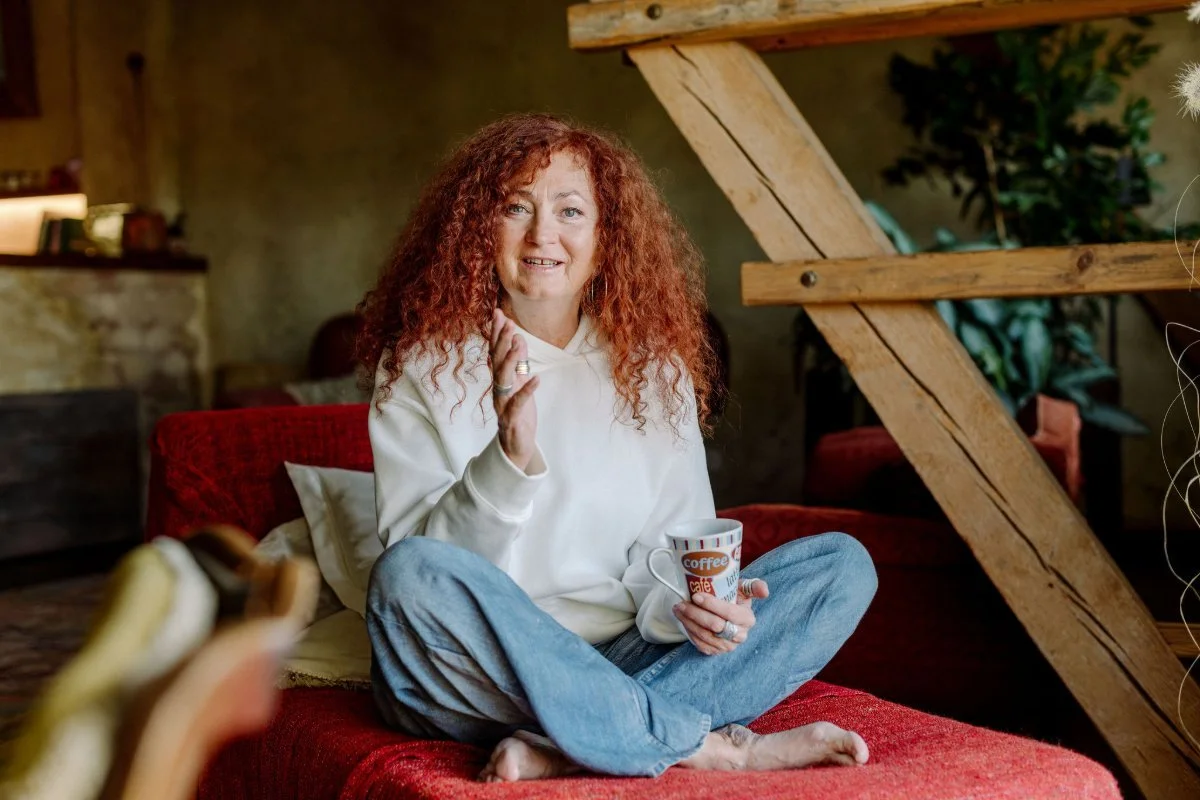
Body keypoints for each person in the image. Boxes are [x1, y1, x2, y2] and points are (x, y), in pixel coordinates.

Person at [355, 112, 877, 783]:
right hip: (481, 674)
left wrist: (695, 610)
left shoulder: (653, 372)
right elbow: (430, 575)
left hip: (624, 656)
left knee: (843, 569)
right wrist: (508, 457)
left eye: (572, 211)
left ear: (608, 238)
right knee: (407, 576)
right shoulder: (422, 368)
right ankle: (701, 742)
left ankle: (574, 742)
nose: (544, 235)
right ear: (480, 228)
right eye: (516, 207)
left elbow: (666, 558)